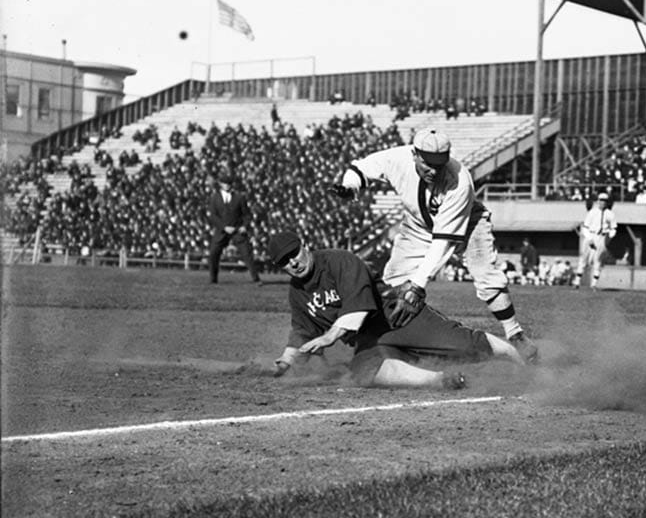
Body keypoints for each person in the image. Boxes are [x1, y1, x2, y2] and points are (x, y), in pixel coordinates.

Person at [329, 127, 538, 362]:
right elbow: (362, 168)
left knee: (486, 276)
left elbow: (443, 242)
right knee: (394, 282)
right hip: (418, 225)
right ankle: (401, 341)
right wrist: (350, 186)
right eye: (428, 163)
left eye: (439, 164)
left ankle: (515, 334)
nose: (433, 170)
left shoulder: (459, 181)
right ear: (415, 155)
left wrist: (418, 286)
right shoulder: (397, 158)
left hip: (469, 223)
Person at [266, 231, 525, 390]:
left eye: (294, 254)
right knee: (364, 371)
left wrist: (330, 336)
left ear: (304, 246)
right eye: (284, 262)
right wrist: (287, 360)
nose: (292, 262)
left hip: (397, 317)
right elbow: (302, 329)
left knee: (465, 346)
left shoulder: (338, 261)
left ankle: (519, 357)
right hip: (368, 338)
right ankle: (440, 380)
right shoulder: (297, 291)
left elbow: (358, 308)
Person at [206, 167, 260, 284]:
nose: (227, 186)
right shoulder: (215, 198)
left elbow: (247, 215)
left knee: (247, 254)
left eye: (229, 183)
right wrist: (224, 227)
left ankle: (256, 278)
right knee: (213, 253)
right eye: (225, 183)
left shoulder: (239, 197)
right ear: (220, 184)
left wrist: (244, 226)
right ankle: (213, 279)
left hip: (237, 229)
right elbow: (213, 216)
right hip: (222, 230)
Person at [575, 191, 616, 290]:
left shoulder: (610, 214)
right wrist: (589, 239)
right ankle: (577, 282)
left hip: (601, 237)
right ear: (598, 201)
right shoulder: (592, 212)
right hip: (591, 235)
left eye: (605, 201)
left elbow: (613, 228)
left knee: (598, 261)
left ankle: (594, 284)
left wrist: (609, 237)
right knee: (584, 259)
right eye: (601, 200)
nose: (602, 203)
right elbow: (585, 227)